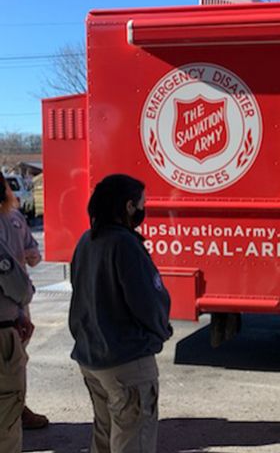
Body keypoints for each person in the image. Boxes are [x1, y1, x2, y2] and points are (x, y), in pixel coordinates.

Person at [69, 174, 172, 453]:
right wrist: (161, 331)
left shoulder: (87, 241)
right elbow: (148, 302)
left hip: (92, 358)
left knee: (105, 435)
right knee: (132, 439)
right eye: (141, 203)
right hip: (126, 361)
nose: (143, 208)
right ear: (128, 207)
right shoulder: (126, 245)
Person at [0, 174, 42, 452]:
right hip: (8, 313)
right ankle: (17, 409)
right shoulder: (12, 218)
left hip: (11, 311)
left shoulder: (14, 218)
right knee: (9, 386)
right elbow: (31, 260)